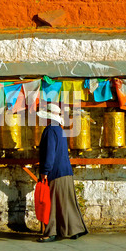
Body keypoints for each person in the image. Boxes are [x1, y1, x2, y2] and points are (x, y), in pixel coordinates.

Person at [36, 103, 88, 242]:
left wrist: (45, 171)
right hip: (66, 172)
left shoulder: (50, 130)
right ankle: (76, 229)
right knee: (67, 202)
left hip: (56, 173)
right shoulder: (59, 130)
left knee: (51, 203)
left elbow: (50, 153)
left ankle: (51, 232)